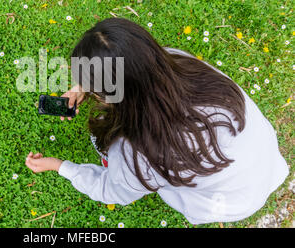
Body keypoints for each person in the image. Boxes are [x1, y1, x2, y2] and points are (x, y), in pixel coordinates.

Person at [25, 18, 289, 225]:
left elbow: (112, 190)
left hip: (230, 201)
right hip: (264, 161)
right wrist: (87, 84)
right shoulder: (181, 62)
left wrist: (60, 166)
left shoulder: (139, 151)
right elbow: (129, 71)